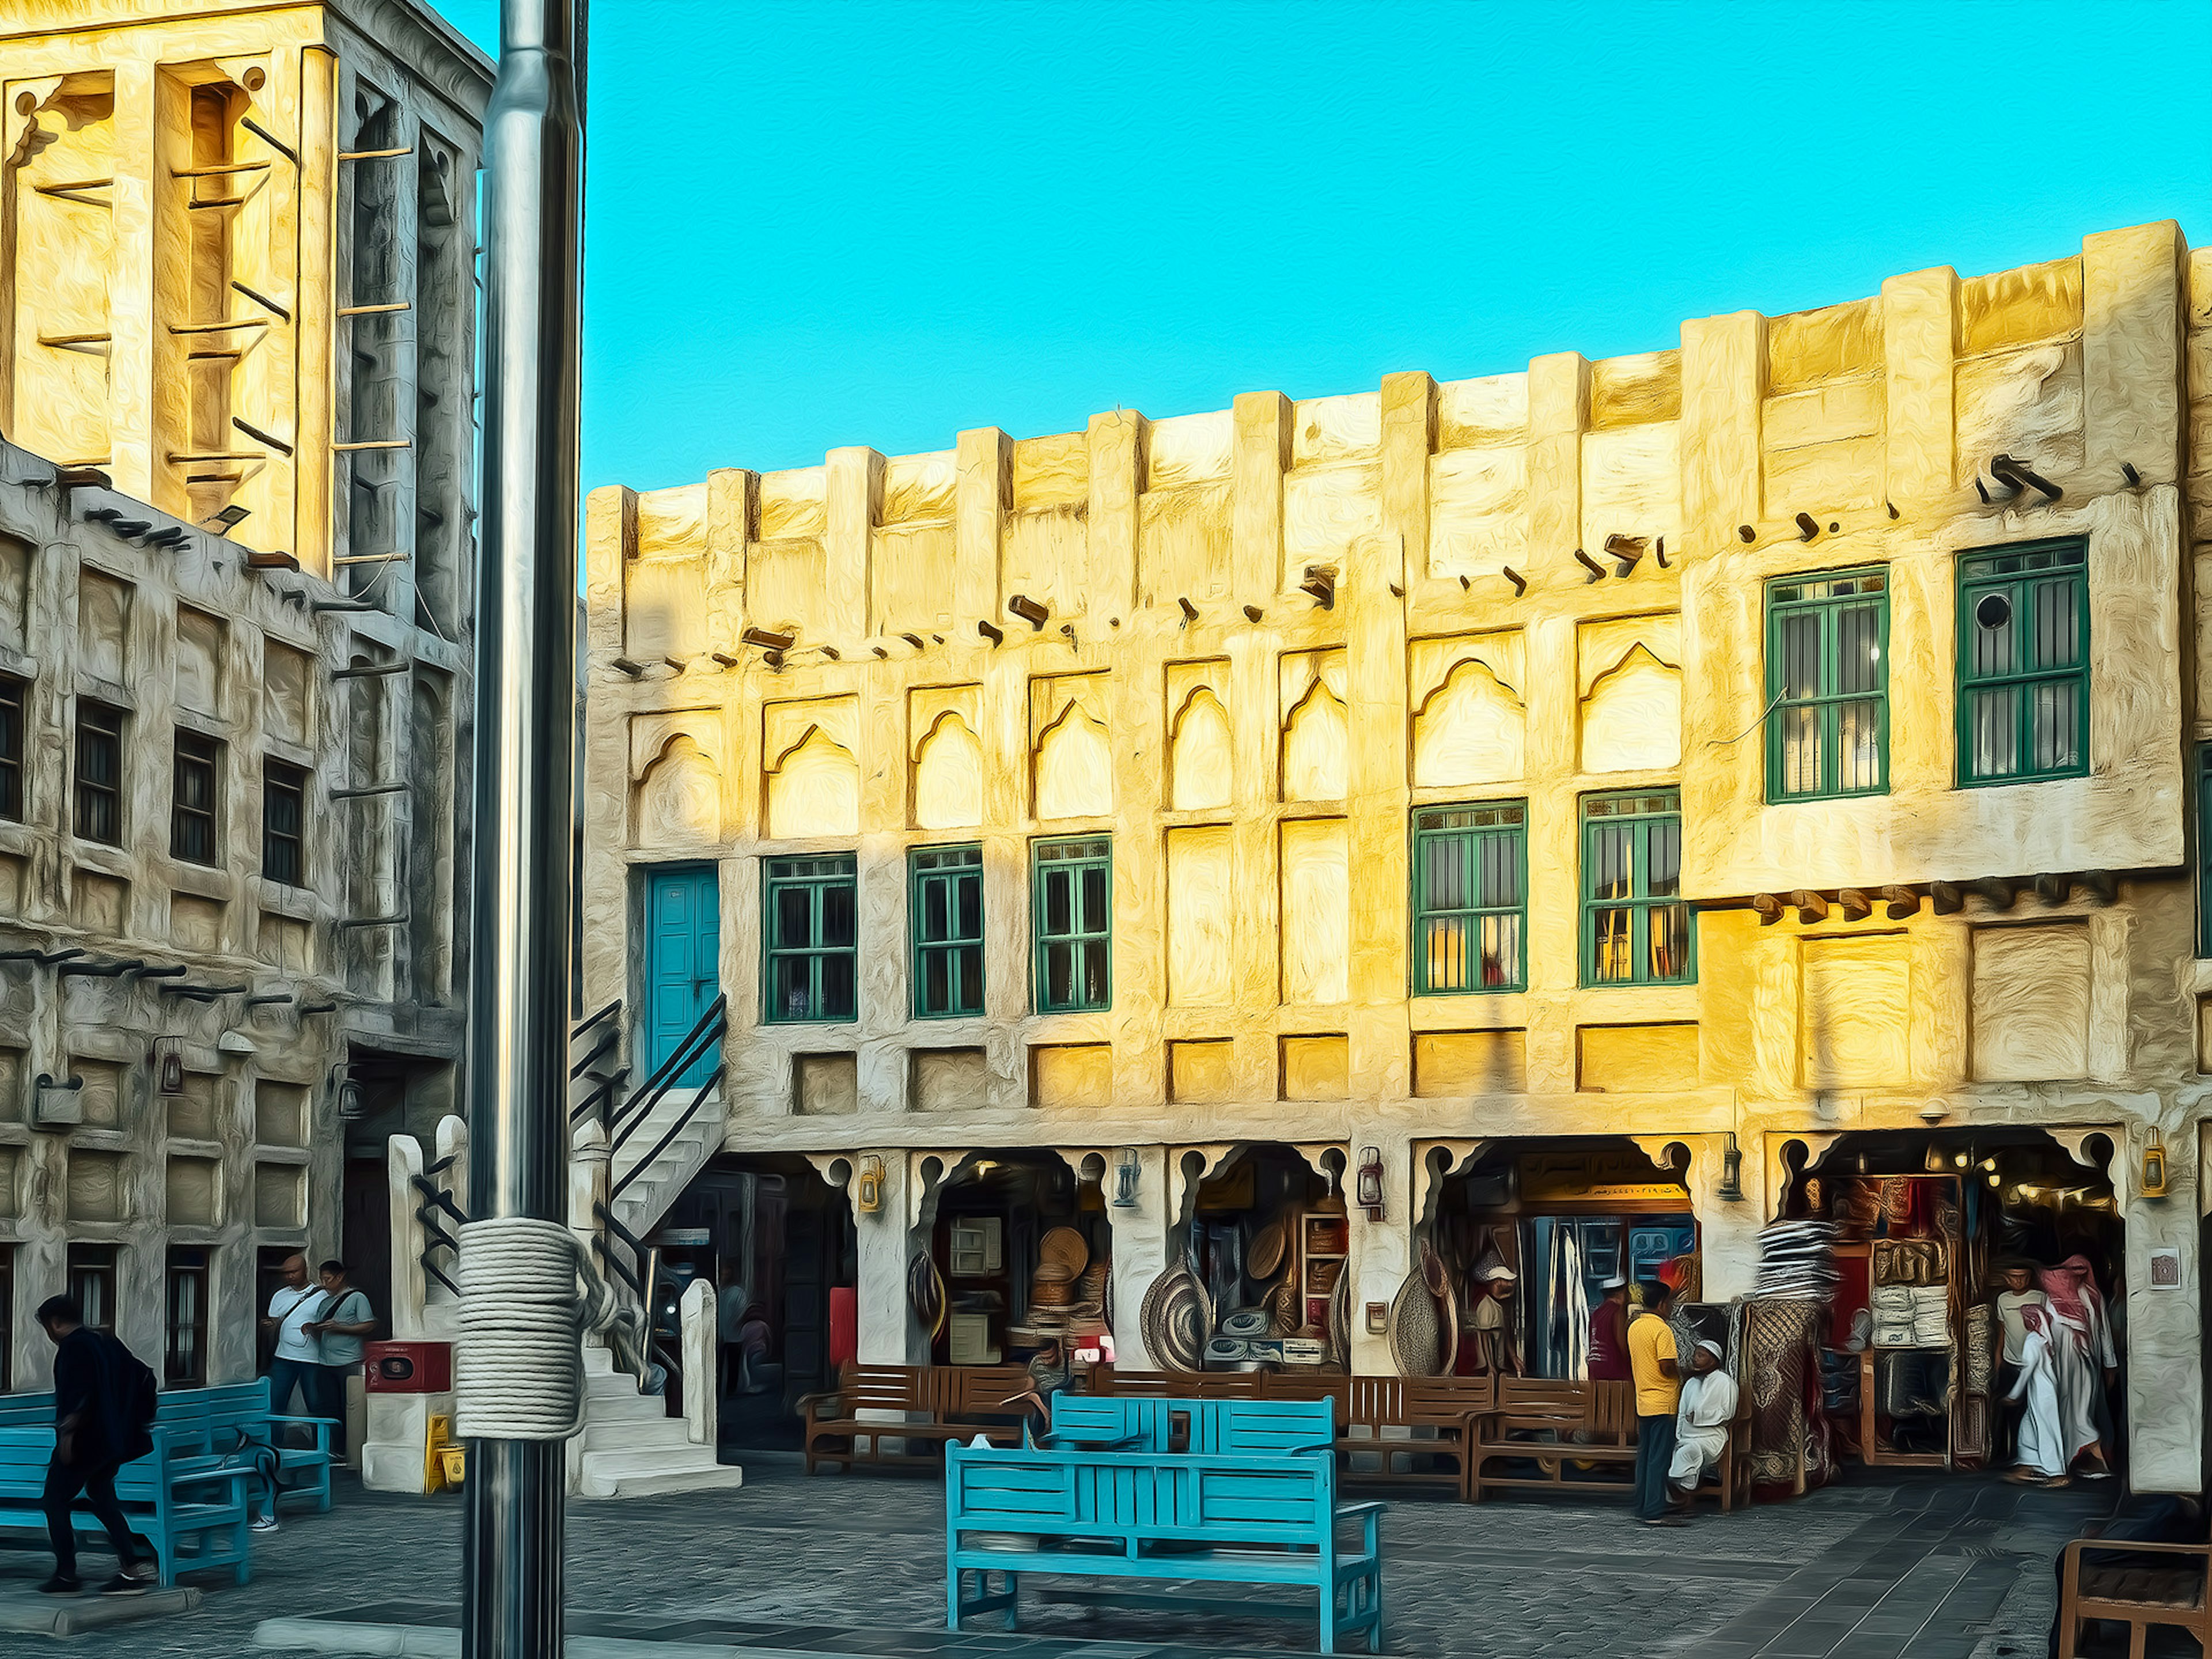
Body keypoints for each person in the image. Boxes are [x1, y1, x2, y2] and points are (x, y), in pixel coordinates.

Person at [35, 1295, 154, 1596]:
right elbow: (144, 1376)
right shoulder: (105, 1341)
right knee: (102, 1496)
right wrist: (134, 1424)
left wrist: (67, 1435)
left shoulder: (73, 1349)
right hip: (113, 1440)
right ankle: (132, 1566)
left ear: (55, 1323)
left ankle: (66, 1574)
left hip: (84, 1443)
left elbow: (78, 1396)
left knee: (54, 1500)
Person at [2037, 1255, 2118, 1479]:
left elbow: (2104, 1332)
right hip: (2059, 1367)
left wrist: (2110, 1364)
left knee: (2082, 1413)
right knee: (2063, 1412)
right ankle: (2071, 1463)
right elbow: (2045, 1334)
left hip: (2085, 1365)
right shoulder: (2050, 1298)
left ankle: (2097, 1459)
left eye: (2083, 1270)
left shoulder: (2093, 1296)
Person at [256, 1253, 321, 1529]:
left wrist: (315, 1329)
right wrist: (271, 1327)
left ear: (305, 1270)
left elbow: (327, 1325)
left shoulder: (320, 1295)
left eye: (294, 1272)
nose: (290, 1277)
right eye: (286, 1273)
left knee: (316, 1404)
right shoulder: (279, 1296)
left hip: (312, 1359)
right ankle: (274, 1450)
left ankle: (324, 1451)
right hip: (284, 1357)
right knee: (275, 1403)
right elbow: (274, 1326)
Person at [302, 1260, 374, 1453]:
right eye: (322, 1280)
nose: (324, 1284)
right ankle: (333, 1449)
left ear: (340, 1277)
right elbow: (321, 1327)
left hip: (349, 1362)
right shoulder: (325, 1302)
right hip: (325, 1363)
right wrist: (312, 1328)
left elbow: (369, 1325)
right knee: (328, 1407)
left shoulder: (357, 1298)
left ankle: (351, 1452)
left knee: (350, 1410)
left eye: (327, 1279)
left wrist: (340, 1328)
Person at [1626, 1280, 1681, 1527]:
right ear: (1662, 1303)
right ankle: (1654, 1512)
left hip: (1644, 1401)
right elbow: (1666, 1366)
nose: (1670, 1308)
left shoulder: (1635, 1327)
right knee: (1659, 1458)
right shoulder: (1662, 1330)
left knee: (1646, 1455)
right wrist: (1684, 1373)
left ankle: (1644, 1505)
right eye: (1669, 1303)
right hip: (1663, 1401)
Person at [1669, 1339, 1737, 1507]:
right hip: (1687, 1436)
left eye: (1701, 1355)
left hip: (1711, 1438)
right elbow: (1681, 1413)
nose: (1695, 1358)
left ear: (1713, 1359)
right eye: (1695, 1354)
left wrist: (1699, 1416)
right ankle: (1684, 1489)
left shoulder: (1725, 1382)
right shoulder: (1691, 1383)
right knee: (1676, 1450)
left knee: (1689, 1451)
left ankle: (1679, 1490)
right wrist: (1680, 1434)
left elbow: (1727, 1413)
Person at [2007, 1302, 2069, 1486]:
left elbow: (2027, 1370)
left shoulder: (2033, 1340)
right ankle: (2028, 1464)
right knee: (2028, 1427)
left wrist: (2014, 1394)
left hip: (2043, 1392)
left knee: (2046, 1430)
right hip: (2043, 1390)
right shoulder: (2044, 1339)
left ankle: (2057, 1473)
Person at [1994, 1261, 2050, 1462]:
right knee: (2009, 1411)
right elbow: (2002, 1328)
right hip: (2010, 1361)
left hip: (2033, 1364)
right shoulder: (2003, 1300)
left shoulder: (2040, 1298)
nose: (2019, 1281)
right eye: (2014, 1276)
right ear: (2007, 1278)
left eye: (2023, 1276)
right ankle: (2006, 1454)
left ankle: (2029, 1455)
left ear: (2030, 1277)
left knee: (2031, 1409)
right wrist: (1998, 1356)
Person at [1587, 1277, 1631, 1382]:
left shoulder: (1596, 1314)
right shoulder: (1617, 1312)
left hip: (1596, 1370)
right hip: (1615, 1372)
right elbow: (1622, 1344)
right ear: (1621, 1293)